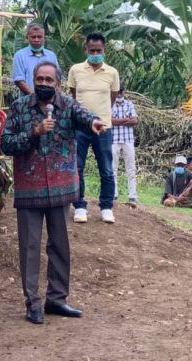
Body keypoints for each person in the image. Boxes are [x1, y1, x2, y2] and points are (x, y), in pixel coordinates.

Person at [1, 61, 107, 324]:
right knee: (30, 246)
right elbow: (6, 143)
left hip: (61, 188)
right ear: (33, 80)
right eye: (40, 79)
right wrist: (33, 133)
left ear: (58, 83)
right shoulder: (19, 108)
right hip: (30, 189)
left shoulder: (67, 105)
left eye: (49, 80)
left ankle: (57, 299)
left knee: (60, 245)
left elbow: (83, 115)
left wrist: (93, 121)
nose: (44, 84)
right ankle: (32, 303)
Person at [67, 32, 120, 223]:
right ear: (86, 50)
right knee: (77, 167)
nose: (95, 53)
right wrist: (84, 118)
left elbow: (112, 98)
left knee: (106, 167)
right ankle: (79, 205)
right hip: (80, 127)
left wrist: (100, 116)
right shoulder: (75, 70)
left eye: (99, 50)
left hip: (104, 127)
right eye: (92, 50)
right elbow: (73, 97)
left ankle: (106, 206)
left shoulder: (112, 73)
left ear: (104, 50)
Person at [11, 23, 60, 97]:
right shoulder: (20, 56)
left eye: (39, 37)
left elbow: (58, 78)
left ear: (44, 38)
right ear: (27, 38)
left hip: (50, 101)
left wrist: (57, 97)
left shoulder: (51, 56)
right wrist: (35, 98)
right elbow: (19, 80)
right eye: (33, 37)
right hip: (28, 102)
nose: (36, 39)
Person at [111, 85, 139, 206]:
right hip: (114, 139)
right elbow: (109, 120)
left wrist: (118, 120)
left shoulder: (129, 104)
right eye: (117, 91)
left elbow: (135, 120)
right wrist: (126, 120)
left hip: (128, 140)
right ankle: (114, 194)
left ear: (124, 91)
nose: (119, 93)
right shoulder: (109, 104)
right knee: (112, 168)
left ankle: (132, 196)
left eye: (121, 91)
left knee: (131, 168)